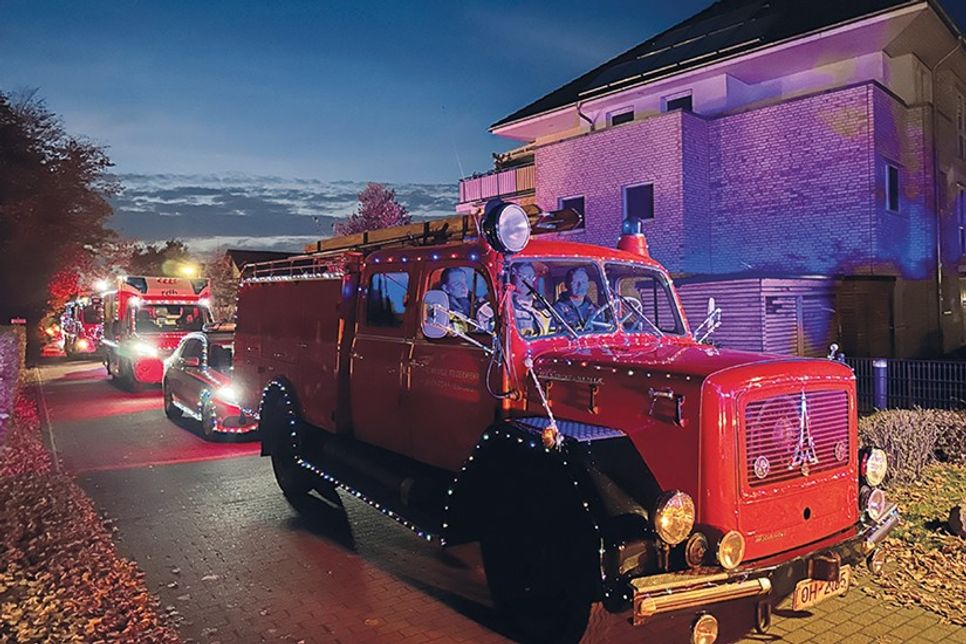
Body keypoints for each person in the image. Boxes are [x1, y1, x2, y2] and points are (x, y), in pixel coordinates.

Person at [510, 263, 550, 337]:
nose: (526, 280)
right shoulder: (506, 308)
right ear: (513, 277)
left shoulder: (543, 306)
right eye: (521, 276)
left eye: (530, 276)